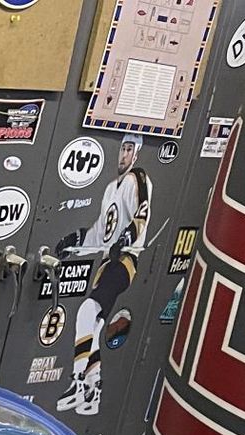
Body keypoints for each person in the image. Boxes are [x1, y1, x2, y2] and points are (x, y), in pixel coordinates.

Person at [57, 133, 151, 418]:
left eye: (129, 149)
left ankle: (76, 381)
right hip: (105, 264)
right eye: (122, 148)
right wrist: (73, 241)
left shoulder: (138, 178)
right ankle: (93, 390)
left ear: (136, 153)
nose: (124, 154)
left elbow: (142, 212)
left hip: (124, 261)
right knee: (95, 327)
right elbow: (99, 232)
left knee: (87, 309)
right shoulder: (111, 188)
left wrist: (127, 237)